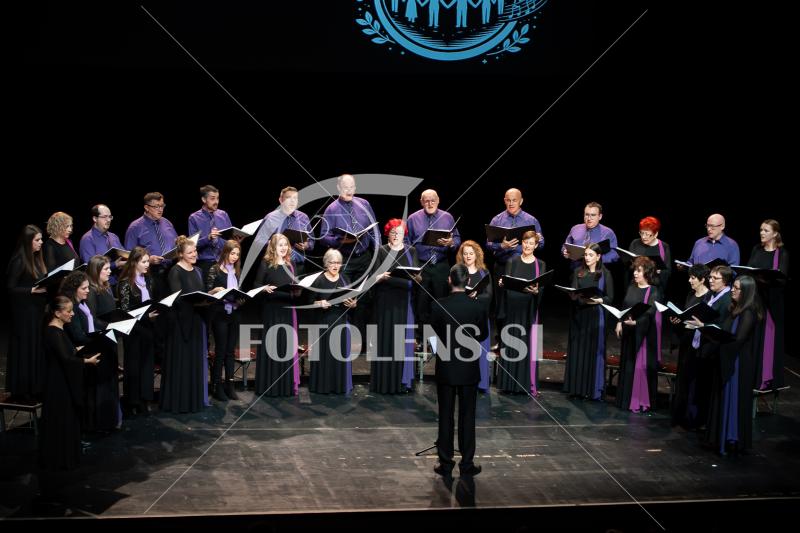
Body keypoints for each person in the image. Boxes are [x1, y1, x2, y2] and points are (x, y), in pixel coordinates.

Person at [430, 263, 489, 478]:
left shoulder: (438, 305)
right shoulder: (477, 306)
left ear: (449, 280)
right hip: (468, 368)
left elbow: (432, 334)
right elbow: (483, 335)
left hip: (446, 368)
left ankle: (445, 464)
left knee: (445, 416)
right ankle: (467, 464)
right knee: (467, 417)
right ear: (468, 281)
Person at [320, 174, 379, 355]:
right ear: (338, 188)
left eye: (352, 187)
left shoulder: (364, 204)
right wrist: (340, 240)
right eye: (345, 187)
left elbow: (374, 230)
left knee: (364, 300)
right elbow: (324, 236)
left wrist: (377, 254)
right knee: (345, 299)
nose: (349, 190)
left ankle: (360, 343)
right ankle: (344, 342)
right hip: (344, 260)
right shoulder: (331, 209)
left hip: (364, 258)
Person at [704, 275, 763, 455]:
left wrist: (718, 340)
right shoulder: (735, 309)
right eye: (733, 287)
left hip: (737, 361)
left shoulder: (749, 312)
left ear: (746, 292)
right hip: (729, 356)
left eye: (737, 288)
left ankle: (732, 436)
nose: (732, 290)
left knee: (733, 397)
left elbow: (738, 339)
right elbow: (726, 332)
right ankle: (722, 436)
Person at [40, 296, 100, 470]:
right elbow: (66, 359)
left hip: (63, 381)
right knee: (62, 419)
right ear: (57, 313)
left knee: (69, 417)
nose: (72, 314)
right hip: (58, 384)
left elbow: (66, 352)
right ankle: (60, 458)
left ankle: (69, 455)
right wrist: (86, 361)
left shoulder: (60, 330)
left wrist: (77, 350)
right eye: (68, 311)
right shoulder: (53, 332)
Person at [486, 188, 544, 342]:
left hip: (523, 267)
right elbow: (489, 244)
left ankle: (524, 338)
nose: (511, 203)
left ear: (521, 201)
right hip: (502, 266)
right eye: (508, 200)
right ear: (504, 200)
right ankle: (501, 340)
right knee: (501, 304)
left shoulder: (531, 220)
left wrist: (537, 240)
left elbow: (542, 243)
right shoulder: (497, 220)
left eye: (514, 200)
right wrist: (501, 246)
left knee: (523, 301)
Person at [370, 219, 419, 394]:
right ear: (388, 234)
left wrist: (394, 279)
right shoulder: (381, 251)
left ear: (404, 234)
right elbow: (372, 278)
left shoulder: (411, 251)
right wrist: (381, 277)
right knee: (386, 341)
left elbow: (416, 276)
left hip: (404, 302)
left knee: (402, 342)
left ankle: (402, 383)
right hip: (385, 303)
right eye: (392, 232)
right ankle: (383, 383)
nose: (396, 235)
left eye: (399, 232)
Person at [562, 243, 615, 400]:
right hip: (580, 315)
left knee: (592, 352)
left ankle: (592, 389)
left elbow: (610, 297)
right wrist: (574, 297)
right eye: (586, 254)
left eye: (591, 255)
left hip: (596, 315)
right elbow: (574, 292)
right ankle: (577, 388)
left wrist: (599, 300)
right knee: (579, 351)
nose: (587, 257)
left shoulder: (605, 274)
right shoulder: (578, 272)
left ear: (598, 257)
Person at [162, 235, 208, 413]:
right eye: (190, 252)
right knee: (182, 362)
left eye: (195, 251)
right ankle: (180, 402)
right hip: (181, 323)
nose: (194, 254)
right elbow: (177, 299)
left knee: (194, 362)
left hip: (196, 320)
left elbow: (202, 292)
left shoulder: (198, 271)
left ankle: (194, 400)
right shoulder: (175, 271)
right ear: (181, 254)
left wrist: (212, 293)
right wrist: (198, 303)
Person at [496, 231, 546, 396]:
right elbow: (506, 284)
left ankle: (524, 384)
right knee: (511, 342)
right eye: (525, 242)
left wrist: (537, 291)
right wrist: (502, 283)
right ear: (521, 243)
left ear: (536, 245)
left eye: (531, 243)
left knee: (527, 345)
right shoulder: (512, 261)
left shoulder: (540, 264)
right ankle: (508, 384)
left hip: (528, 309)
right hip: (513, 308)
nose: (527, 246)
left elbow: (541, 289)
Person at [684, 265, 734, 427]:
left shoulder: (727, 300)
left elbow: (723, 326)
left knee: (706, 387)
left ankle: (703, 421)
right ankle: (695, 419)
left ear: (725, 281)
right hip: (702, 345)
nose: (711, 280)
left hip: (714, 349)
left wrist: (703, 325)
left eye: (715, 278)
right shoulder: (711, 295)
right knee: (698, 385)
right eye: (710, 277)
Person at [406, 189, 461, 334]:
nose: (430, 204)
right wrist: (413, 264)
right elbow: (406, 242)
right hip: (421, 265)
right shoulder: (412, 218)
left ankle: (441, 335)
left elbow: (457, 238)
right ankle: (421, 337)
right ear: (421, 202)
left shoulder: (447, 217)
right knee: (421, 303)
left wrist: (451, 243)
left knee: (441, 301)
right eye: (426, 201)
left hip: (441, 265)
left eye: (433, 201)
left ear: (438, 201)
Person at [254, 233, 301, 397]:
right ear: (273, 247)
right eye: (280, 245)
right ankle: (269, 385)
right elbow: (256, 285)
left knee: (285, 347)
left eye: (285, 245)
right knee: (272, 346)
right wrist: (264, 288)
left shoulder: (291, 264)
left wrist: (298, 290)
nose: (284, 248)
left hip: (287, 310)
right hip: (271, 311)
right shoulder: (266, 263)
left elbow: (296, 287)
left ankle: (285, 386)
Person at [5, 225, 48, 400]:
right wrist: (31, 290)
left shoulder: (37, 259)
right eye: (37, 240)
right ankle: (23, 390)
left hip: (37, 312)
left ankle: (36, 387)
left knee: (36, 349)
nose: (41, 242)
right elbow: (11, 288)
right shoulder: (19, 260)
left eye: (41, 239)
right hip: (25, 315)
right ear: (28, 241)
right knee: (26, 350)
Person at [614, 257, 661, 412]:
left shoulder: (653, 291)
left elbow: (650, 312)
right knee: (627, 364)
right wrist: (619, 321)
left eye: (639, 271)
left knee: (637, 366)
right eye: (635, 270)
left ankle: (637, 400)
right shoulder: (631, 287)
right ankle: (624, 400)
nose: (635, 273)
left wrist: (636, 323)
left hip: (642, 334)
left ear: (647, 273)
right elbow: (624, 306)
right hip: (628, 331)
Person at [747, 219, 789, 390]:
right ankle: (750, 376)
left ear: (775, 233)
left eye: (766, 230)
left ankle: (764, 378)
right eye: (761, 230)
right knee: (752, 338)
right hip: (754, 300)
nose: (762, 233)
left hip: (770, 302)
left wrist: (765, 279)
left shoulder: (781, 253)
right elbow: (749, 269)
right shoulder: (756, 249)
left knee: (767, 339)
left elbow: (781, 280)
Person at [117, 246, 158, 416]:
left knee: (147, 365)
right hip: (133, 330)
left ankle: (145, 399)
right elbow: (125, 311)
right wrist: (146, 316)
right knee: (133, 366)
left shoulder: (149, 280)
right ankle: (132, 401)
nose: (147, 264)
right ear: (134, 263)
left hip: (148, 328)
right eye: (144, 262)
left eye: (148, 261)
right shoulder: (125, 283)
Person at [669, 263, 711, 429]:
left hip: (698, 342)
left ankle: (692, 417)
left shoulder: (708, 298)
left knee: (694, 379)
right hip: (686, 340)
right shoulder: (691, 294)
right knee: (683, 378)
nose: (689, 280)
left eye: (693, 278)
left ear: (702, 279)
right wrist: (677, 321)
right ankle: (680, 414)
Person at [627, 216, 672, 365]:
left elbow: (668, 271)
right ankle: (632, 357)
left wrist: (657, 271)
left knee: (652, 323)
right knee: (633, 322)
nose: (644, 237)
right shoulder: (635, 243)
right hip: (636, 289)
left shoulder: (663, 247)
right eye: (642, 233)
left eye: (648, 234)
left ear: (656, 233)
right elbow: (630, 266)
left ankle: (651, 359)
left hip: (653, 291)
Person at [85, 255, 121, 430]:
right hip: (100, 339)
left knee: (111, 377)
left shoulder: (106, 287)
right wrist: (110, 325)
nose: (109, 271)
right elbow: (92, 319)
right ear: (96, 271)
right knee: (102, 380)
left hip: (110, 337)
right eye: (105, 269)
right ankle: (101, 421)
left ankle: (111, 418)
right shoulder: (92, 291)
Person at [206, 240, 243, 401]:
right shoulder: (215, 269)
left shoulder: (237, 271)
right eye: (232, 253)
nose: (234, 257)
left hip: (234, 313)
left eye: (237, 254)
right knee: (220, 351)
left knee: (230, 351)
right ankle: (216, 385)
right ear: (225, 252)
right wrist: (215, 290)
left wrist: (242, 299)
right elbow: (207, 293)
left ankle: (230, 385)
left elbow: (239, 293)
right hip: (219, 313)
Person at [125, 192, 179, 299]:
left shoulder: (167, 223)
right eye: (156, 206)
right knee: (158, 305)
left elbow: (177, 243)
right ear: (146, 207)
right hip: (151, 274)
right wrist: (148, 260)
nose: (160, 209)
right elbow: (129, 256)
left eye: (162, 206)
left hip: (172, 270)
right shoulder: (135, 228)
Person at [456, 240, 492, 393]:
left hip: (479, 318)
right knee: (462, 352)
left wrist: (476, 296)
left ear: (477, 255)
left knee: (481, 352)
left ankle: (481, 383)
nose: (468, 256)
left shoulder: (484, 273)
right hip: (462, 317)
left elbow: (489, 295)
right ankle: (462, 381)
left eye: (471, 253)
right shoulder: (458, 271)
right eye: (465, 254)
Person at [262, 186, 315, 276]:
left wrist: (307, 245)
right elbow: (259, 242)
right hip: (276, 266)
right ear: (281, 200)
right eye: (288, 198)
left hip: (298, 266)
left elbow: (312, 240)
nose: (292, 201)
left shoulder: (304, 217)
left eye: (295, 198)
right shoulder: (270, 218)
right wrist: (272, 244)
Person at [189, 185, 234, 280]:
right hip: (205, 263)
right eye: (212, 198)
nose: (216, 202)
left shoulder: (224, 215)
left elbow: (230, 239)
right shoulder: (194, 218)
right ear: (204, 199)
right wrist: (208, 238)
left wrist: (237, 240)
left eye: (217, 198)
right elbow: (192, 245)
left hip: (224, 261)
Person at [79, 204, 126, 286]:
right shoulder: (87, 239)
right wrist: (115, 265)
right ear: (95, 218)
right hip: (101, 286)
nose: (108, 220)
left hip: (119, 282)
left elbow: (124, 254)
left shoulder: (113, 237)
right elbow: (90, 268)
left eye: (110, 217)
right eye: (104, 217)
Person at [562, 202, 619, 266]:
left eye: (593, 215)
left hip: (597, 270)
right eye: (587, 214)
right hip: (575, 269)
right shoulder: (575, 229)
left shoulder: (608, 233)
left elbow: (614, 254)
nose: (589, 218)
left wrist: (596, 259)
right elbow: (565, 246)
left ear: (600, 216)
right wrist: (565, 251)